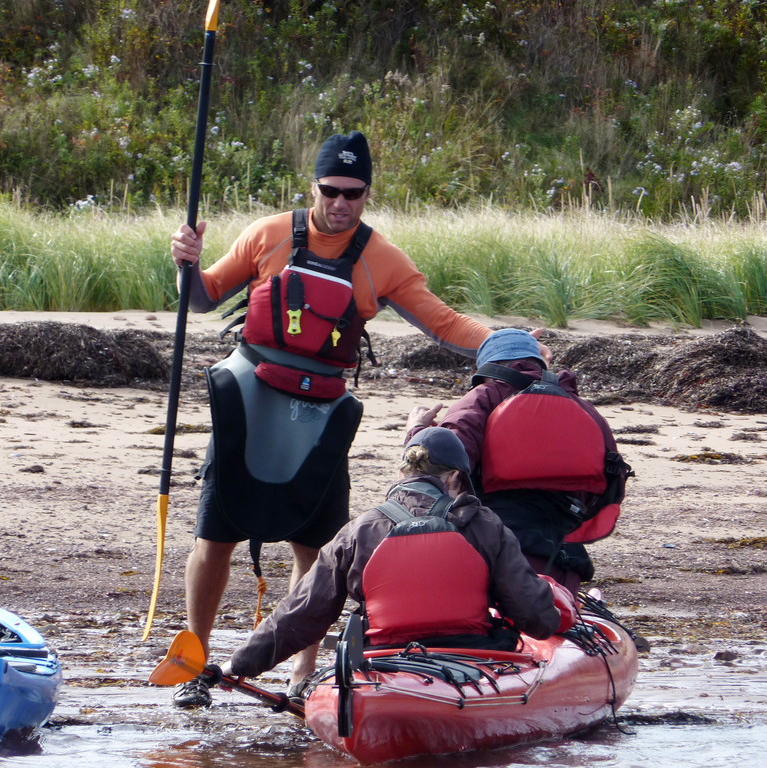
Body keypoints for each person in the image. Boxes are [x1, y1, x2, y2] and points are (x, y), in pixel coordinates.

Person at [168, 131, 517, 708]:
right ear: (315, 187)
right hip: (249, 406)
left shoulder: (382, 260)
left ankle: (302, 673)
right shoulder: (267, 234)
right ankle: (195, 659)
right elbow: (202, 297)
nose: (341, 204)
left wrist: (511, 348)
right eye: (331, 191)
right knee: (215, 535)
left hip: (321, 419)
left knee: (316, 547)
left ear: (367, 194)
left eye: (354, 194)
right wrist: (185, 263)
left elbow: (446, 325)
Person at [227, 427, 569, 690]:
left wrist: (236, 666)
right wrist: (555, 617)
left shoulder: (358, 531)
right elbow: (534, 618)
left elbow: (300, 614)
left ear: (403, 475)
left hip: (383, 665)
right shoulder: (484, 525)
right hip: (472, 660)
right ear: (453, 478)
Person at [406, 329, 631, 596]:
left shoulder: (482, 397)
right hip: (564, 549)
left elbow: (434, 466)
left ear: (487, 367)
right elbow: (612, 477)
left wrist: (417, 431)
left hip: (495, 539)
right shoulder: (582, 406)